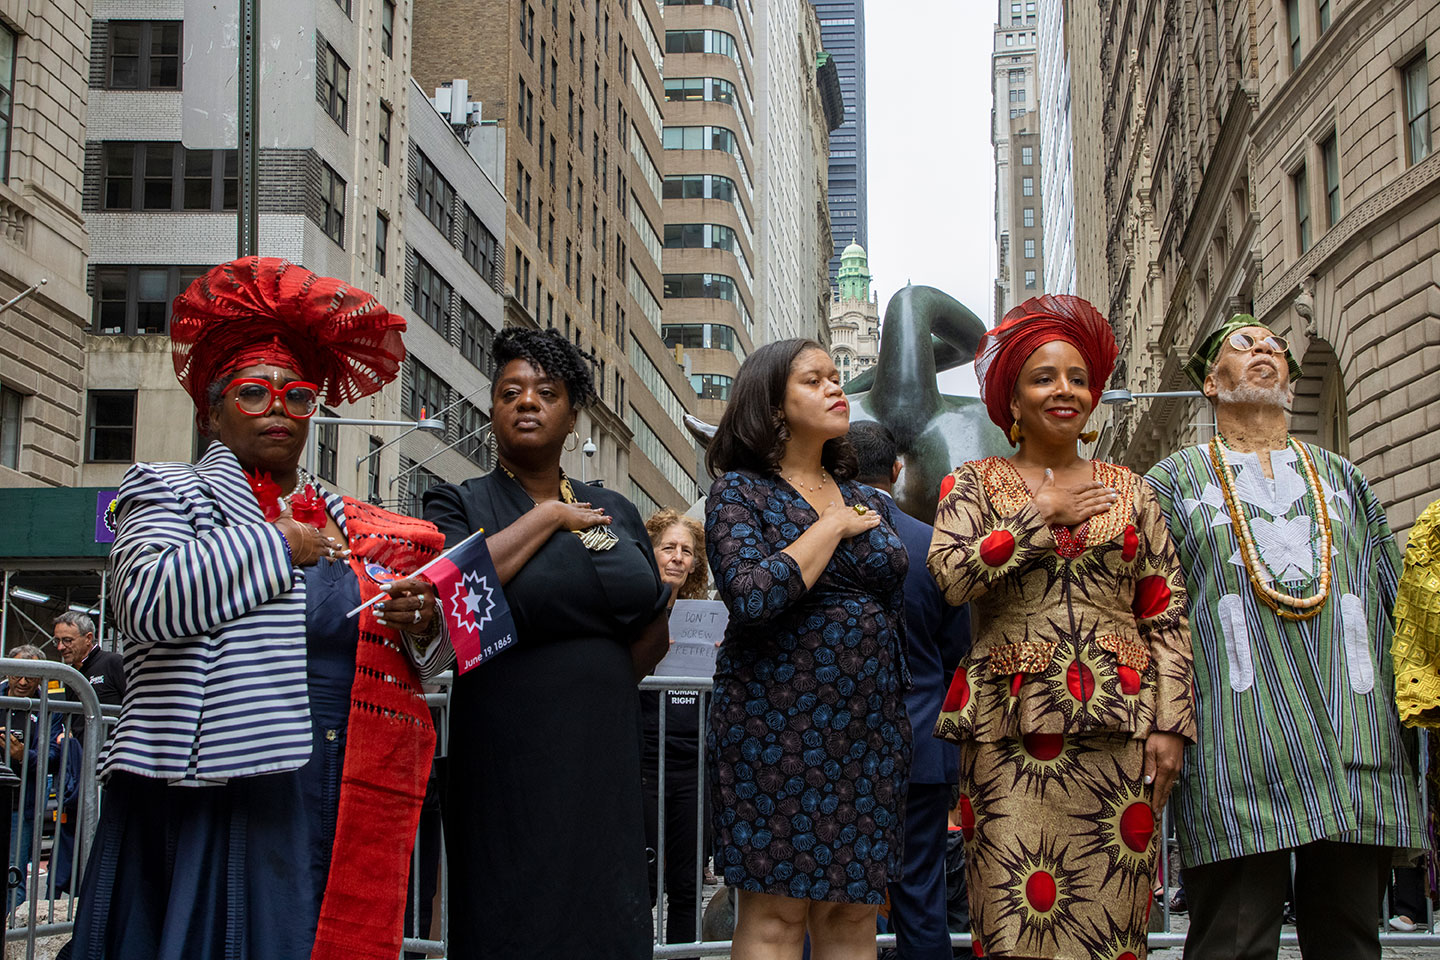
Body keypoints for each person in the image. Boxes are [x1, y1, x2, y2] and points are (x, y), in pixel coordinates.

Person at [68, 256, 449, 960]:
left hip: (332, 788)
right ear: (211, 412)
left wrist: (423, 621)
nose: (278, 408)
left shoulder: (351, 519)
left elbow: (430, 662)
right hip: (210, 788)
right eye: (252, 393)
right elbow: (143, 602)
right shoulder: (166, 490)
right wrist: (276, 543)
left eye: (297, 396)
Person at [1144, 315, 1424, 959]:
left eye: (1274, 346)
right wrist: (1163, 720)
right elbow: (1155, 612)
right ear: (1211, 385)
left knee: (1352, 939)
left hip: (1355, 733)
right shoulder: (1171, 484)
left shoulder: (1344, 477)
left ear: (1293, 389)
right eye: (1242, 346)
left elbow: (1394, 597)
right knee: (1232, 940)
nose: (1264, 350)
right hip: (1237, 740)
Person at [927, 294, 1195, 960]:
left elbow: (1165, 612)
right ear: (1012, 400)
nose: (1064, 390)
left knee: (1113, 931)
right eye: (1043, 377)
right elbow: (951, 578)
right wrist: (1037, 514)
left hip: (1121, 732)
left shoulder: (1134, 489)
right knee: (1015, 924)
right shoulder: (972, 483)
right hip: (1006, 736)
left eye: (1077, 378)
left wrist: (1171, 724)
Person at [422, 327, 671, 960]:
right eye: (511, 391)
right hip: (507, 754)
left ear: (571, 414)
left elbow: (646, 620)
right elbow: (458, 594)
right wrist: (549, 517)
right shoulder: (459, 502)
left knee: (606, 920)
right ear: (492, 409)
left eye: (546, 391)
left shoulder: (612, 507)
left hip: (603, 754)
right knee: (513, 920)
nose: (527, 401)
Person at [703, 338, 911, 959]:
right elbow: (752, 596)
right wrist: (829, 526)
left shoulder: (871, 499)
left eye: (836, 377)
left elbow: (892, 606)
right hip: (775, 727)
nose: (835, 387)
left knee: (853, 913)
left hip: (869, 732)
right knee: (776, 913)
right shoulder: (740, 493)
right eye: (814, 380)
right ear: (772, 406)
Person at [848, 420, 971, 960]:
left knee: (831, 897)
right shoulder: (930, 546)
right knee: (921, 900)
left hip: (838, 746)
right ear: (896, 472)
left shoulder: (815, 541)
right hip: (922, 744)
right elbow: (956, 651)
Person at [641, 508, 711, 951]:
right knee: (640, 883)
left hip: (694, 764)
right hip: (643, 760)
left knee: (687, 885)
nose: (678, 558)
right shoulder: (630, 611)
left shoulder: (707, 619)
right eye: (668, 548)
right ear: (649, 553)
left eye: (686, 551)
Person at [49, 611, 125, 895]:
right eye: (57, 641)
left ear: (89, 638)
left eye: (67, 640)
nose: (60, 647)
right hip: (81, 772)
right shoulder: (72, 675)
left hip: (111, 771)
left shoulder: (112, 663)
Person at [2, 645, 79, 913]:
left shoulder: (50, 708)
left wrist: (25, 755)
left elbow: (54, 755)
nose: (23, 682)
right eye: (17, 675)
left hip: (21, 805)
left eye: (31, 677)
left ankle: (12, 940)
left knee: (14, 873)